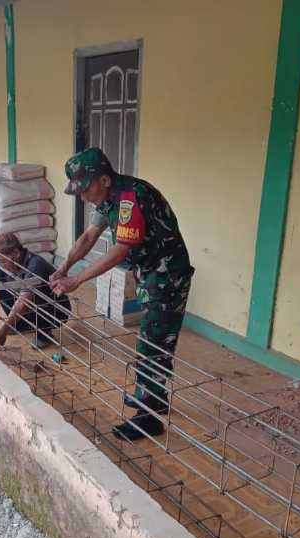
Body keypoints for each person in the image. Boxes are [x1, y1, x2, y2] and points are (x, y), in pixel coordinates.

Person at [51, 147, 194, 440]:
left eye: (85, 188)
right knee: (155, 339)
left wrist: (77, 280)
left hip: (167, 276)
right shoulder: (108, 199)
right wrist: (65, 266)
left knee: (152, 342)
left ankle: (148, 417)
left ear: (104, 180)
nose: (83, 196)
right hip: (150, 273)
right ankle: (153, 396)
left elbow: (120, 250)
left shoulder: (131, 198)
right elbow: (89, 236)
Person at [0, 232, 71, 348]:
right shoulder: (9, 264)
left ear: (16, 253)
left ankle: (44, 332)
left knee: (34, 293)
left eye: (3, 261)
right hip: (31, 307)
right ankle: (19, 324)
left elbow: (23, 303)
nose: (2, 265)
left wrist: (3, 331)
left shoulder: (35, 265)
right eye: (0, 261)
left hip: (56, 311)